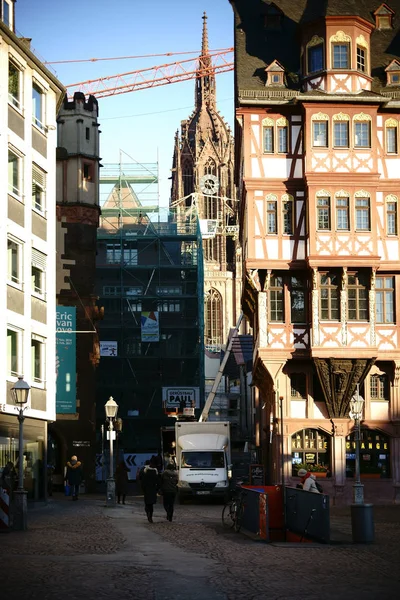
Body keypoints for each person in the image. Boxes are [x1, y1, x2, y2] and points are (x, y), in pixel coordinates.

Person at [139, 457, 160, 523]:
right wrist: (157, 489)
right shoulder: (156, 471)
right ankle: (150, 515)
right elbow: (158, 481)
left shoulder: (144, 470)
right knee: (151, 504)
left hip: (147, 489)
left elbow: (141, 480)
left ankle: (148, 514)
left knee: (147, 504)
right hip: (152, 489)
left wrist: (143, 488)